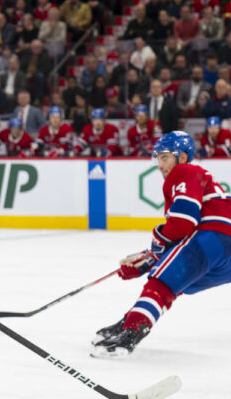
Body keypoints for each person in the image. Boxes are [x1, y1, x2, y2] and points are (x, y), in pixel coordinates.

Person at [92, 131, 231, 357]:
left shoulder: (184, 171)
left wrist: (157, 240)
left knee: (162, 283)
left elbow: (184, 222)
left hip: (212, 237)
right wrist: (148, 261)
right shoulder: (203, 181)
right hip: (227, 260)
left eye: (165, 157)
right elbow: (180, 239)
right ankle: (130, 320)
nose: (160, 165)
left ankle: (130, 334)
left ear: (182, 157)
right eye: (157, 159)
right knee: (172, 283)